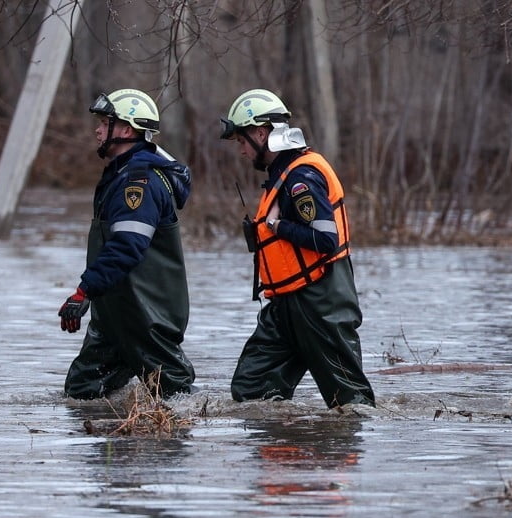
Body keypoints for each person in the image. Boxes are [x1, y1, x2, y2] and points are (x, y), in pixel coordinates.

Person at [219, 89, 375, 409]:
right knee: (251, 389)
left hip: (320, 300)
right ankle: (285, 446)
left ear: (261, 133)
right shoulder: (282, 176)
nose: (241, 151)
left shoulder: (301, 176)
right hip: (285, 304)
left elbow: (324, 240)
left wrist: (278, 227)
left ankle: (343, 453)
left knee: (349, 401)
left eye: (241, 141)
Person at [59, 88, 196, 398]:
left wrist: (84, 291)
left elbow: (127, 246)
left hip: (145, 315)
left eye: (104, 123)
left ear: (126, 129)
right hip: (115, 315)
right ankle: (116, 440)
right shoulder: (120, 176)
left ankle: (183, 438)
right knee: (82, 392)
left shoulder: (140, 183)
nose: (96, 130)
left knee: (175, 395)